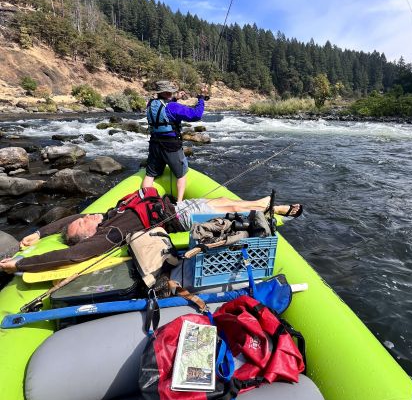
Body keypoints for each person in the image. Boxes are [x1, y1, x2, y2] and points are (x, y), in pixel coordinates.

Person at [0, 194, 302, 274]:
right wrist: (22, 263)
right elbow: (73, 254)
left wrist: (40, 232)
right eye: (84, 222)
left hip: (179, 205)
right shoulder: (110, 233)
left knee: (228, 202)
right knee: (233, 207)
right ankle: (272, 208)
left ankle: (266, 204)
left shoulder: (104, 218)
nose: (89, 215)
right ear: (87, 234)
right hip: (182, 219)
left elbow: (75, 217)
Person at [142, 81, 209, 202]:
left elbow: (164, 110)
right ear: (168, 92)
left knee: (150, 174)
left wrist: (175, 98)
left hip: (155, 143)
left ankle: (144, 202)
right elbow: (196, 115)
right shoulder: (173, 107)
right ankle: (179, 203)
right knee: (181, 174)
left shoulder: (151, 104)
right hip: (171, 145)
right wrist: (202, 98)